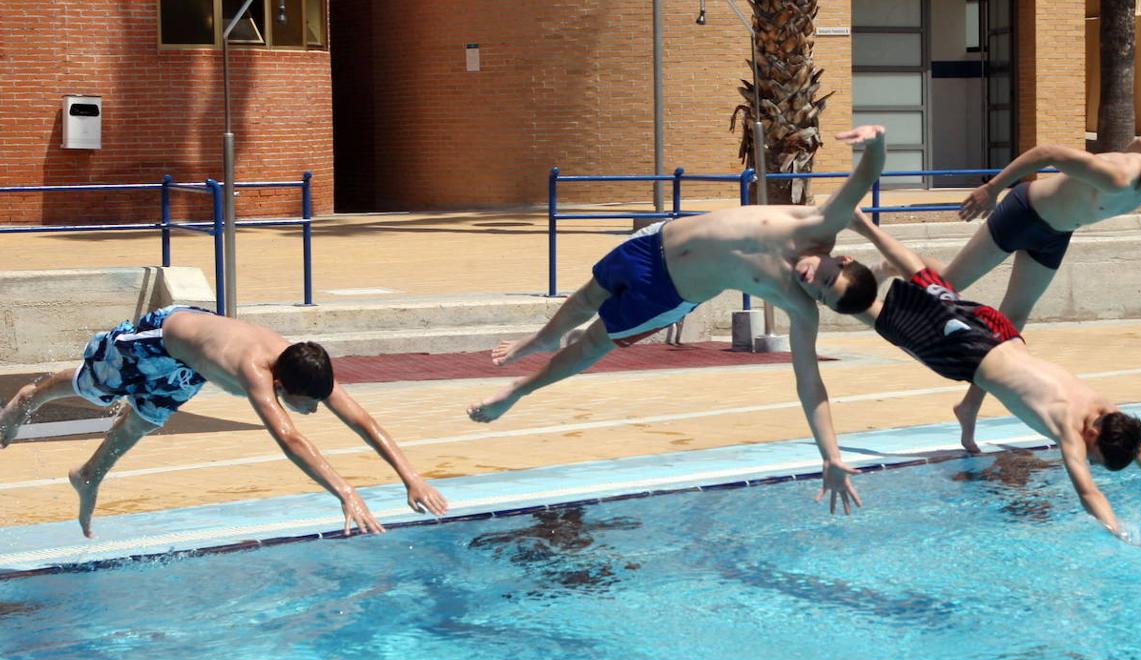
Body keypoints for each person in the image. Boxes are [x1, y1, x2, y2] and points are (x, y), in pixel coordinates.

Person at [467, 125, 892, 514]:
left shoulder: (799, 308)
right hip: (653, 243)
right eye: (826, 276)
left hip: (668, 294)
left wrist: (831, 455)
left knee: (592, 344)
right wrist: (875, 140)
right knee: (584, 298)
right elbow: (864, 177)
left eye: (820, 292)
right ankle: (541, 339)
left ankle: (518, 390)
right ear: (843, 258)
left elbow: (810, 385)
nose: (811, 281)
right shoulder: (821, 222)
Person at [820, 209, 1141, 543]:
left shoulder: (1112, 416)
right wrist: (1121, 533)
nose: (1090, 461)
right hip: (967, 354)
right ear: (1092, 439)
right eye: (1095, 458)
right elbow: (1089, 493)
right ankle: (830, 286)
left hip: (999, 330)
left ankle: (863, 225)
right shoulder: (1070, 429)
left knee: (929, 282)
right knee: (891, 324)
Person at [0, 305, 448, 538]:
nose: (313, 409)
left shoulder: (305, 365)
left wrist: (412, 477)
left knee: (144, 420)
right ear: (280, 383)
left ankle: (89, 474)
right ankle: (29, 398)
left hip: (194, 361)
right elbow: (290, 438)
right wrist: (347, 492)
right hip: (163, 337)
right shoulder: (256, 369)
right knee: (95, 386)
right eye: (307, 403)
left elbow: (364, 421)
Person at [946, 136, 1141, 452]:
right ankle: (882, 288)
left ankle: (969, 405)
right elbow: (1047, 152)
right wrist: (993, 188)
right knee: (945, 286)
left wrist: (1127, 149)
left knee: (1011, 323)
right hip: (1023, 214)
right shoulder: (1115, 176)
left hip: (1055, 235)